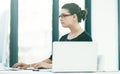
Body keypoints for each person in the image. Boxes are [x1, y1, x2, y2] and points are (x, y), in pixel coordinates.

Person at [12, 3, 92, 69]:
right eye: (60, 16)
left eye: (64, 15)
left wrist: (49, 66)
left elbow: (80, 65)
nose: (60, 18)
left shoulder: (85, 38)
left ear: (74, 17)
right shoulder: (63, 38)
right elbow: (51, 60)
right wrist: (29, 65)